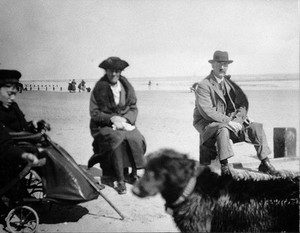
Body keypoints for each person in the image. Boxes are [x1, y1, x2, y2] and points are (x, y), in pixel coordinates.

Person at [193, 51, 277, 176]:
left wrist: (239, 120)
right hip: (207, 123)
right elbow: (207, 111)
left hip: (229, 121)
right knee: (222, 129)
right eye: (219, 64)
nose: (222, 67)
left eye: (225, 64)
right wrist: (229, 122)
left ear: (228, 66)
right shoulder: (204, 85)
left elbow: (241, 105)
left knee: (255, 127)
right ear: (212, 65)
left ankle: (265, 163)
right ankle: (224, 166)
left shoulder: (230, 84)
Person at [87, 57, 146, 194]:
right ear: (106, 71)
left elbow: (133, 107)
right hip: (103, 125)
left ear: (120, 72)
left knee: (136, 138)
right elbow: (94, 113)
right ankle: (120, 180)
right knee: (117, 139)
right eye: (111, 71)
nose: (114, 74)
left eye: (117, 71)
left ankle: (133, 174)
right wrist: (111, 118)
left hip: (125, 122)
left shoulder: (126, 86)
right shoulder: (99, 88)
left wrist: (125, 120)